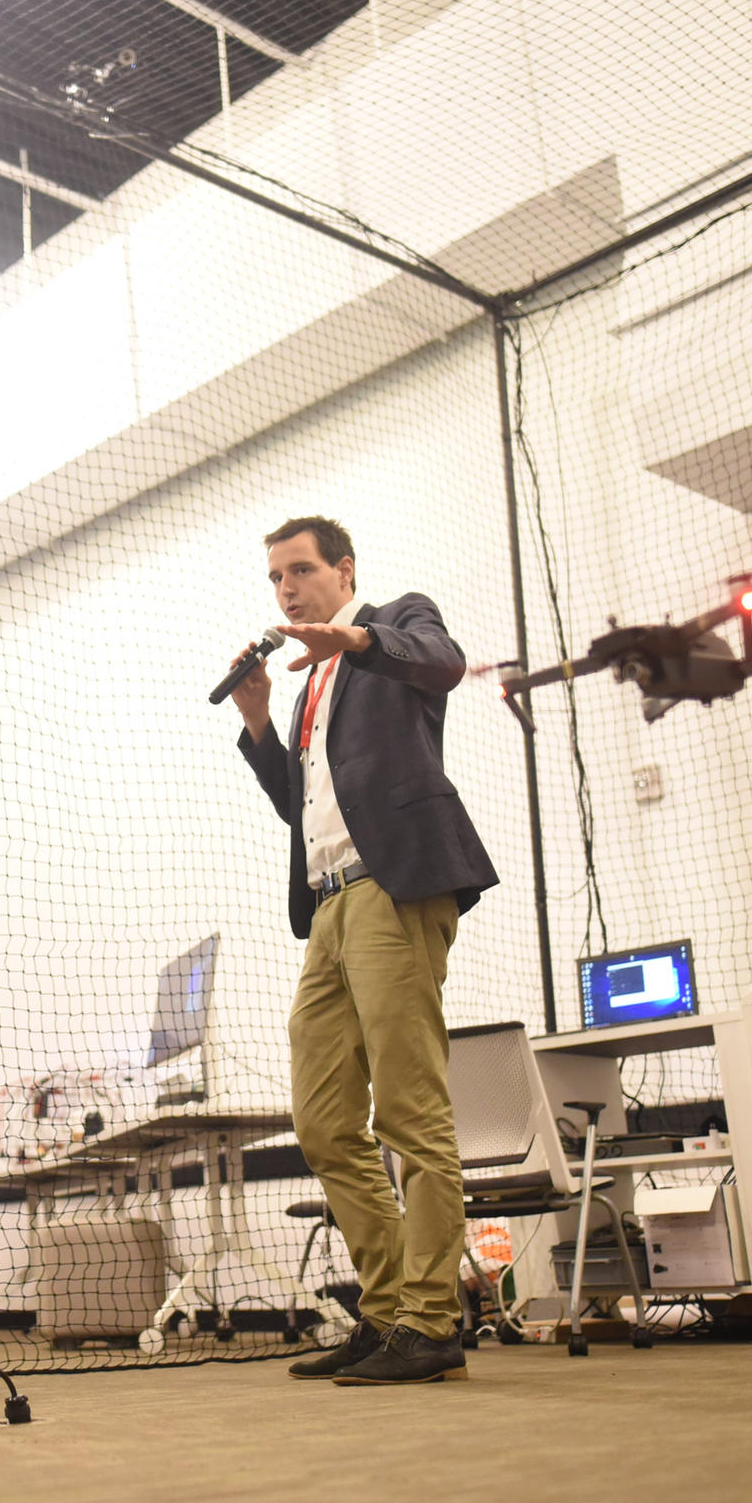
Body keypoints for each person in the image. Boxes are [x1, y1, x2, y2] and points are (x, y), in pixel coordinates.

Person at [228, 516, 497, 1386]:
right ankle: (385, 1313)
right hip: (330, 909)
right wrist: (262, 715)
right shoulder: (307, 691)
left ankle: (431, 1317)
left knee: (410, 1113)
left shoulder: (396, 626)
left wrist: (355, 638)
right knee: (323, 1121)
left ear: (344, 572)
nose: (286, 589)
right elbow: (299, 806)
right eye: (275, 577)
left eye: (300, 570)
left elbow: (443, 660)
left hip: (393, 891)